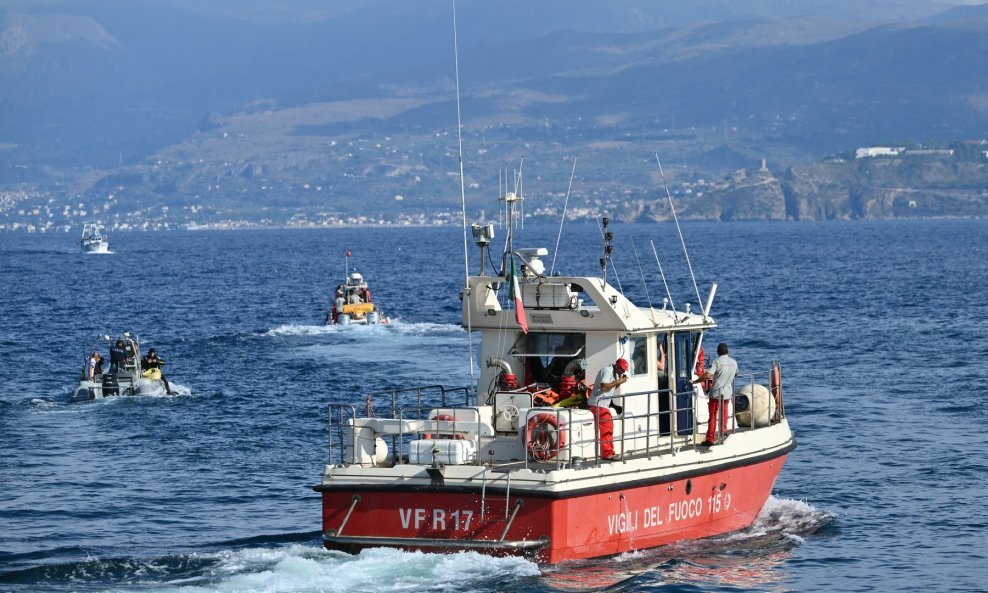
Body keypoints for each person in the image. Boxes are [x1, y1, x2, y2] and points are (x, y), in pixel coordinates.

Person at [693, 342, 738, 447]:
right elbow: (736, 374)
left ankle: (710, 439)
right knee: (724, 414)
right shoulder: (734, 362)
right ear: (727, 352)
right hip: (727, 393)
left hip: (716, 393)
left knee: (713, 416)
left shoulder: (717, 362)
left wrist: (696, 382)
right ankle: (723, 432)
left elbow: (708, 375)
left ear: (718, 352)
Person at [590, 358, 629, 459]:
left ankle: (609, 452)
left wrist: (619, 382)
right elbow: (604, 387)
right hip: (598, 404)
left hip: (601, 405)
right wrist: (618, 381)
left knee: (608, 427)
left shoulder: (614, 372)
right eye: (622, 369)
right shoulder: (607, 370)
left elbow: (610, 388)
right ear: (616, 365)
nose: (623, 371)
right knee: (607, 427)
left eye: (624, 370)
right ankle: (607, 454)